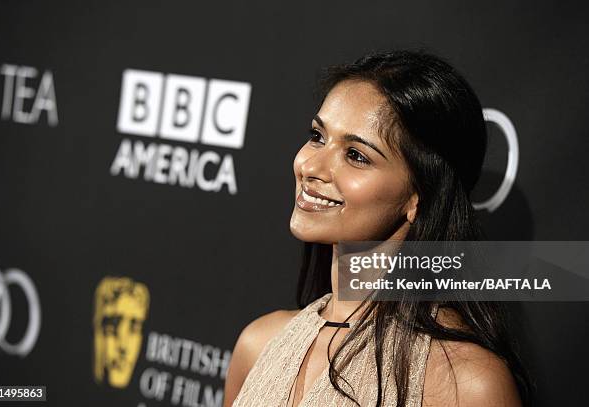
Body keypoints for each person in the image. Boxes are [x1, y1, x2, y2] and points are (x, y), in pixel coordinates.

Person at [223, 50, 530, 407]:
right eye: (318, 136)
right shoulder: (257, 344)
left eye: (356, 155)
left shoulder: (467, 384)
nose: (311, 166)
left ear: (420, 196)